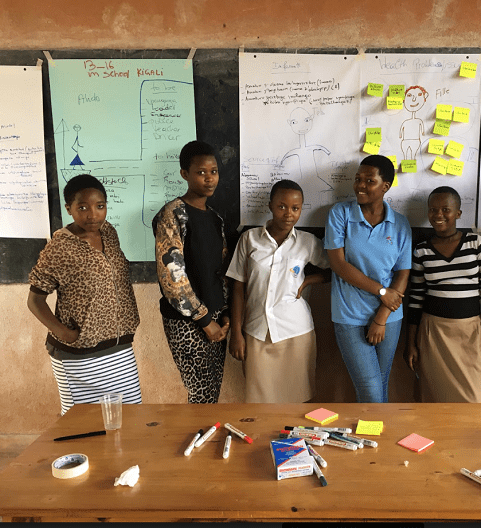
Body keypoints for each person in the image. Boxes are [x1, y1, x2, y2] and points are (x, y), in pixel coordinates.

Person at [27, 174, 142, 414]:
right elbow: (35, 300)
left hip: (119, 350)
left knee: (129, 419)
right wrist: (64, 333)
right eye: (82, 207)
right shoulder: (60, 247)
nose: (93, 214)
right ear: (69, 209)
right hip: (79, 356)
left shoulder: (108, 232)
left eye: (100, 206)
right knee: (82, 426)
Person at [226, 179, 330, 403]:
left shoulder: (307, 242)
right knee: (259, 401)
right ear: (271, 205)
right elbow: (237, 287)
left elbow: (337, 269)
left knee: (299, 400)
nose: (289, 214)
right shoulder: (249, 239)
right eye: (282, 206)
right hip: (256, 331)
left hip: (296, 332)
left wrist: (309, 280)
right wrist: (236, 333)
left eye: (295, 208)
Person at [324, 154, 412, 403]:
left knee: (380, 383)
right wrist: (381, 292)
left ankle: (375, 439)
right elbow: (339, 265)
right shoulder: (340, 214)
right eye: (358, 179)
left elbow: (402, 272)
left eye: (369, 180)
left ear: (385, 186)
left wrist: (382, 317)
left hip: (389, 316)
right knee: (370, 387)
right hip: (349, 314)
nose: (360, 185)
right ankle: (374, 438)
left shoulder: (400, 224)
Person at [405, 186, 481, 402]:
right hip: (434, 335)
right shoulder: (422, 250)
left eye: (445, 209)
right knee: (434, 400)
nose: (438, 215)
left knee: (472, 399)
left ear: (458, 213)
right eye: (433, 210)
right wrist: (410, 343)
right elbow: (416, 298)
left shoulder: (477, 244)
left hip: (470, 334)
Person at [152, 140, 230, 404]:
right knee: (200, 395)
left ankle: (206, 441)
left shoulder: (215, 218)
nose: (209, 178)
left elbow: (220, 270)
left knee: (211, 393)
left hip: (216, 318)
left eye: (214, 171)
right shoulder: (173, 215)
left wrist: (225, 313)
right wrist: (204, 320)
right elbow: (173, 277)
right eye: (201, 172)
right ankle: (197, 443)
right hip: (189, 321)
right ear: (185, 174)